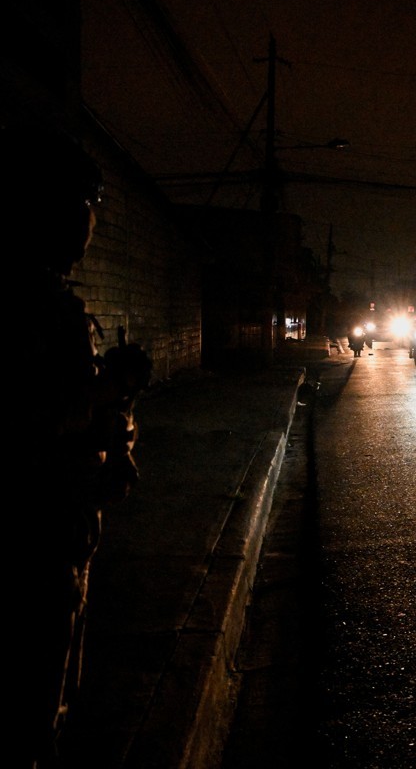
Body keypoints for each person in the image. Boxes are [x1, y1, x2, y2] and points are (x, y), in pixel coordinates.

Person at [14, 122, 152, 767]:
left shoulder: (55, 303)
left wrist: (114, 419)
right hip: (35, 532)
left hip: (64, 523)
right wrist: (101, 400)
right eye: (85, 205)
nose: (91, 222)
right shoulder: (29, 309)